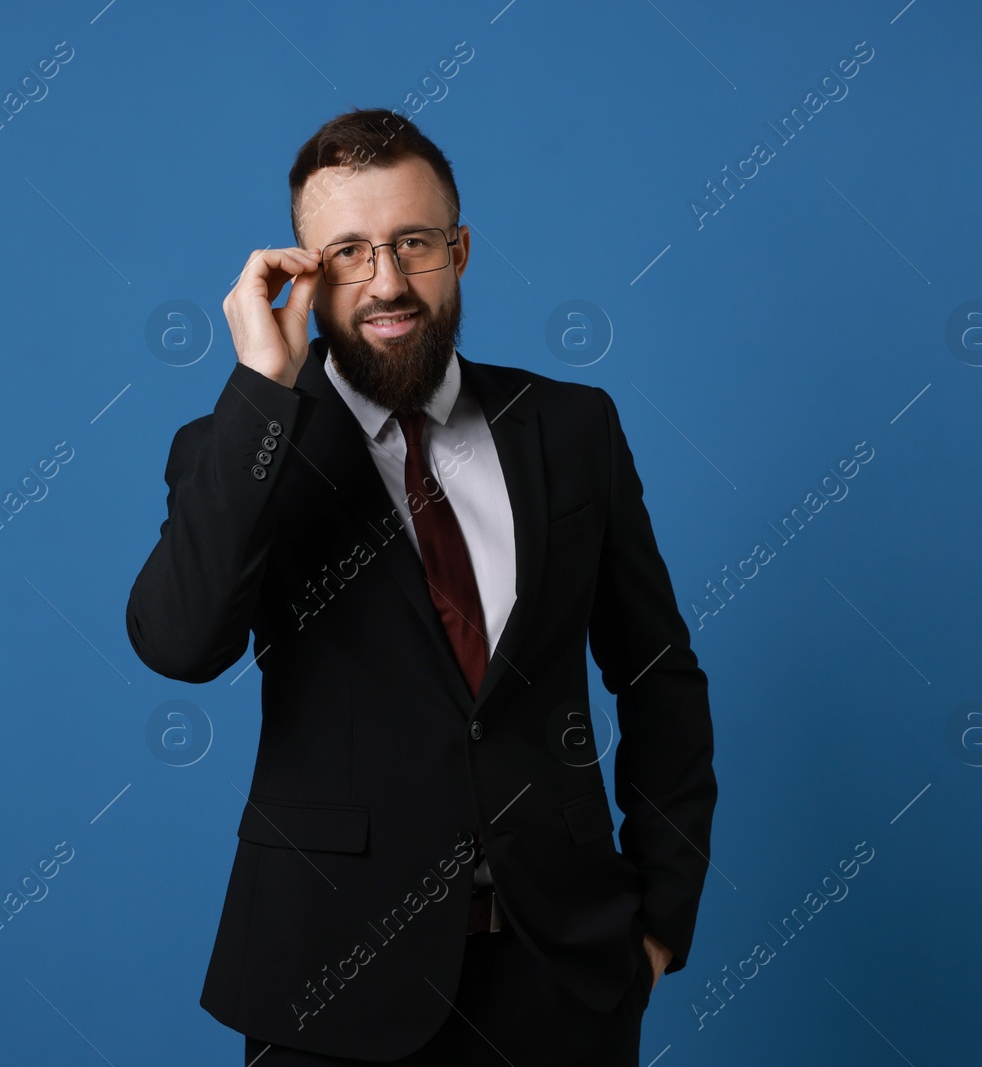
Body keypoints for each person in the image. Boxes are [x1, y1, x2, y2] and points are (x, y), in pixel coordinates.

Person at [125, 108, 717, 1065]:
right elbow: (180, 646)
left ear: (461, 250)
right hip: (330, 983)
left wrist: (658, 921)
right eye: (349, 252)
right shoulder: (241, 446)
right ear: (302, 274)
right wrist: (261, 392)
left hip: (563, 981)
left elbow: (659, 675)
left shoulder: (572, 429)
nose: (388, 282)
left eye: (414, 244)